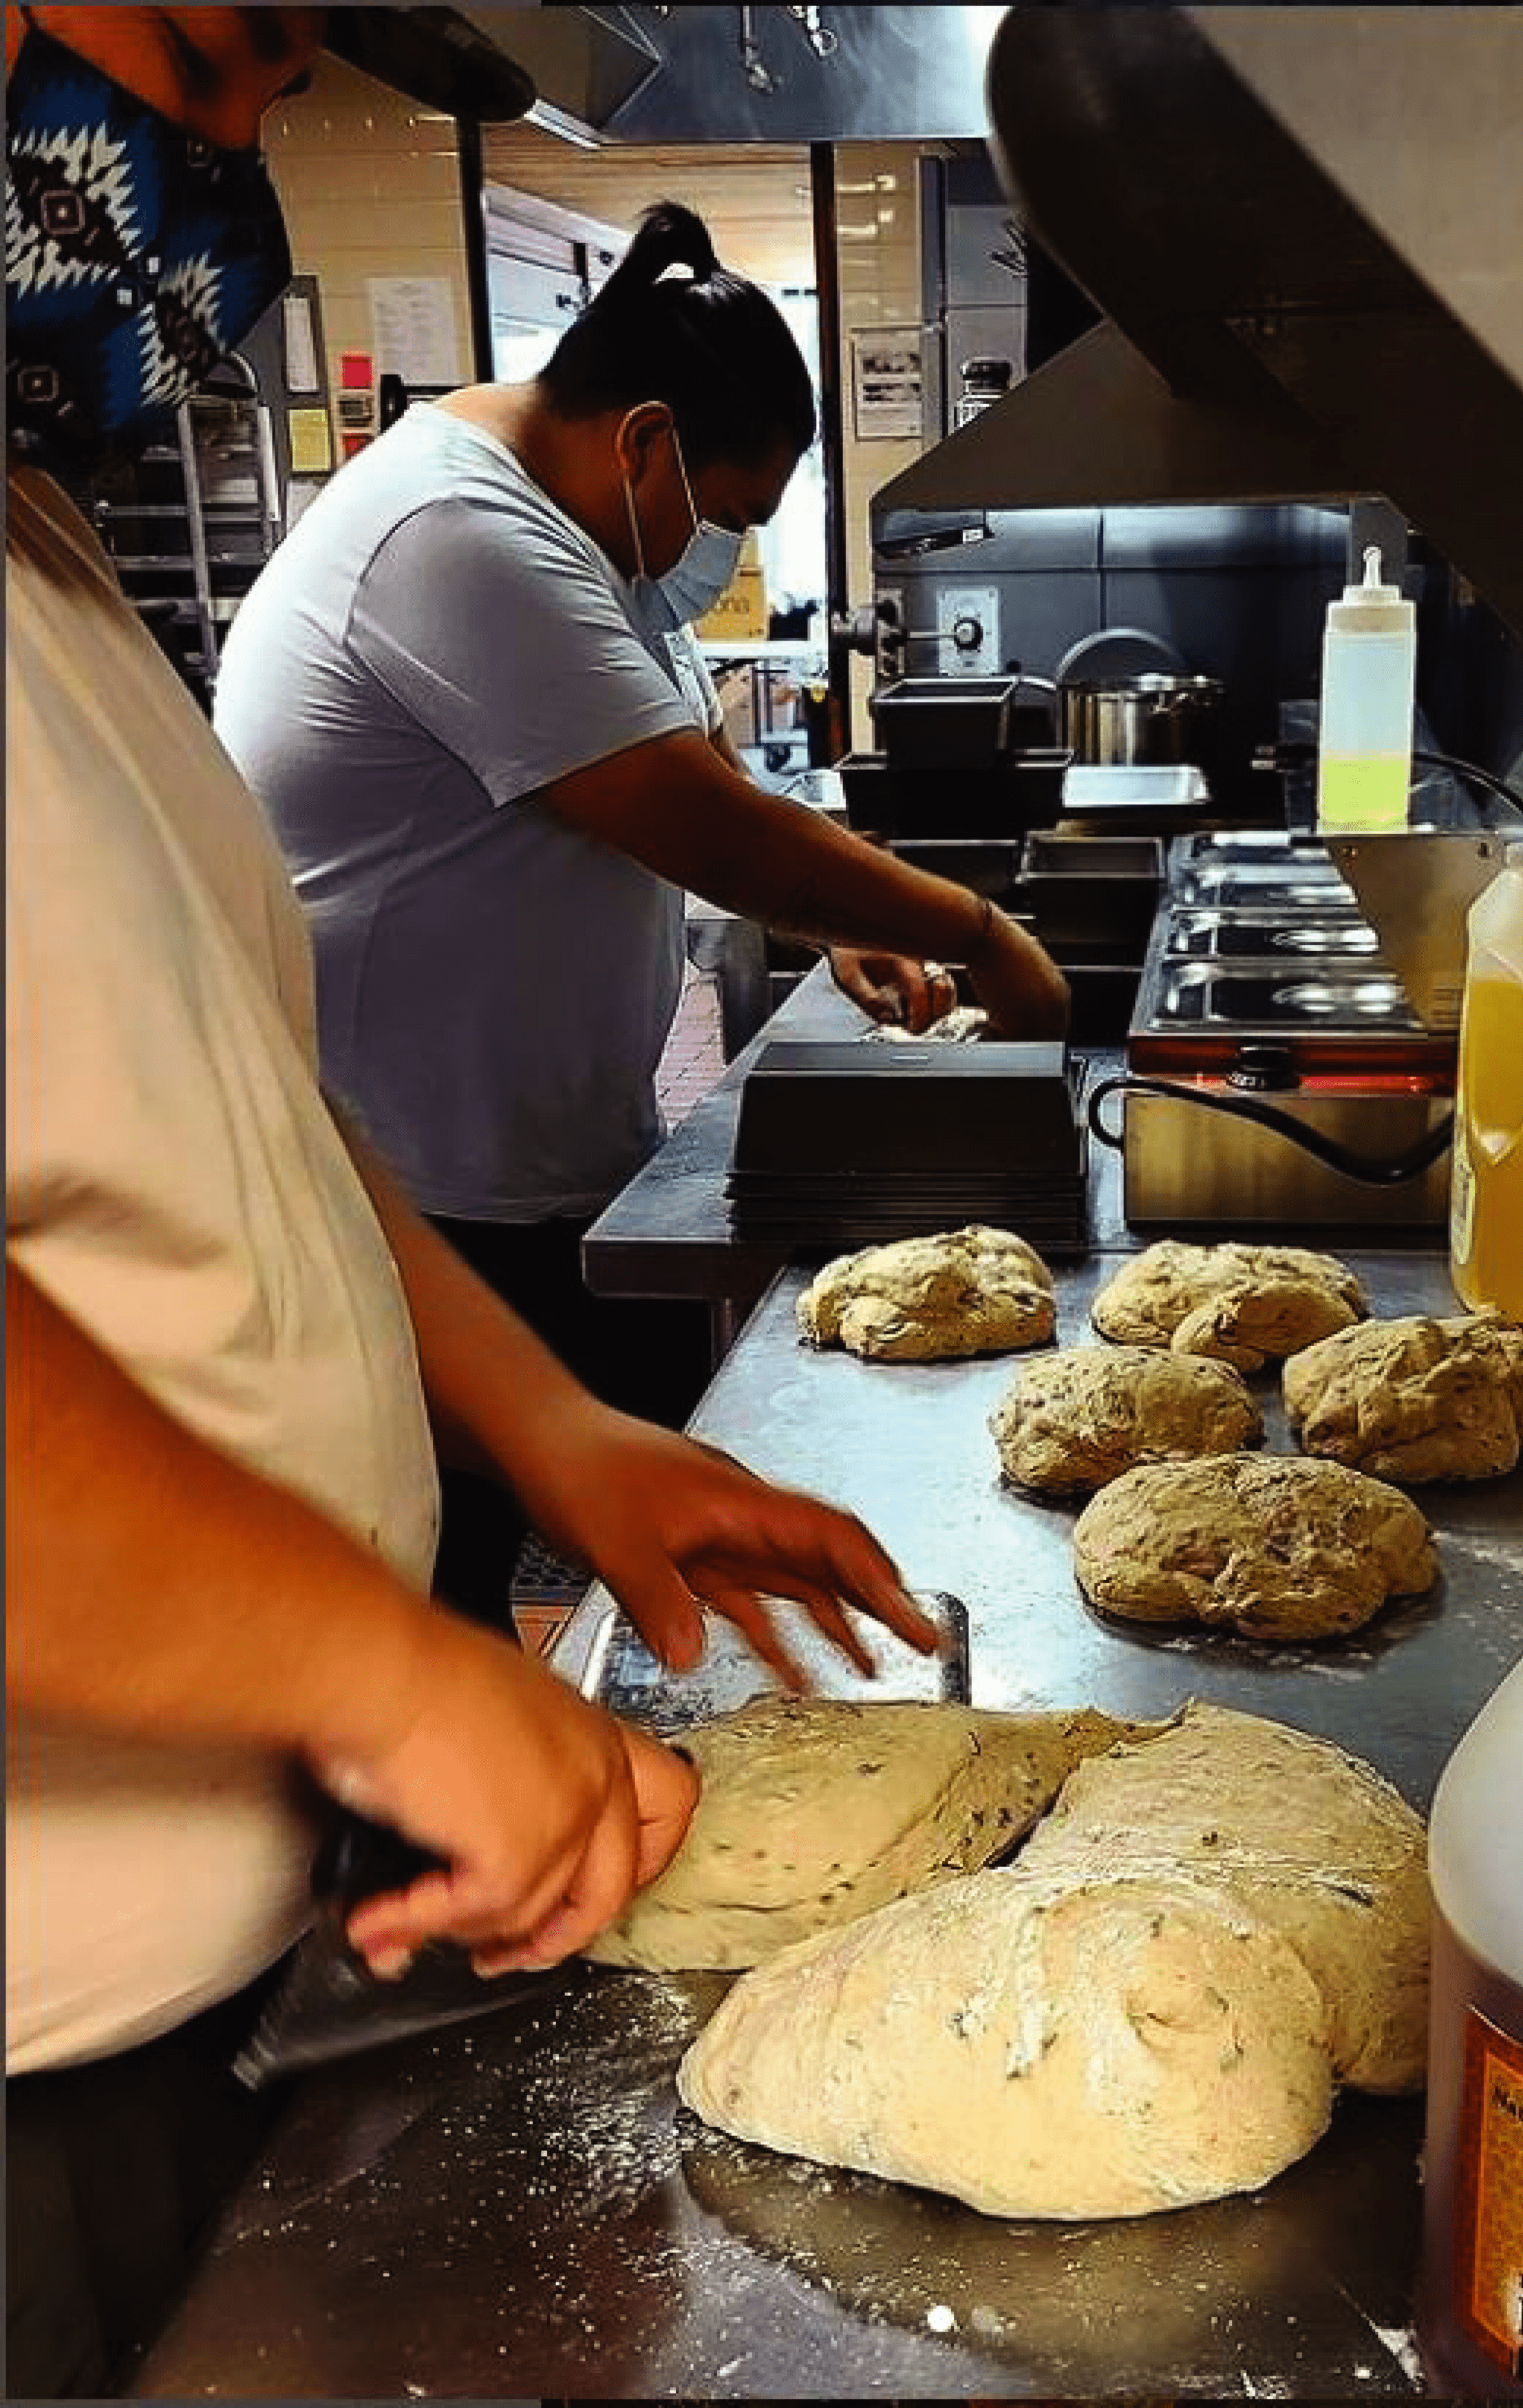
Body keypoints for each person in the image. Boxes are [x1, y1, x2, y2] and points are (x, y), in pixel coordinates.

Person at [3, 10, 938, 2393]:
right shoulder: (434, 531)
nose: (224, 154)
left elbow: (239, 1106)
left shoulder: (44, 561)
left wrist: (551, 1427)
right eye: (202, 54)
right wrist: (380, 1662)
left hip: (233, 1941)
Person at [211, 198, 1071, 1632]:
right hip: (415, 1190)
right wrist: (971, 932)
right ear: (646, 440)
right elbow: (691, 816)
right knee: (441, 1582)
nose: (722, 550)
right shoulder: (455, 536)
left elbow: (687, 753)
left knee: (685, 1517)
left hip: (526, 1161)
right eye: (729, 512)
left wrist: (824, 917)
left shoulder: (569, 527)